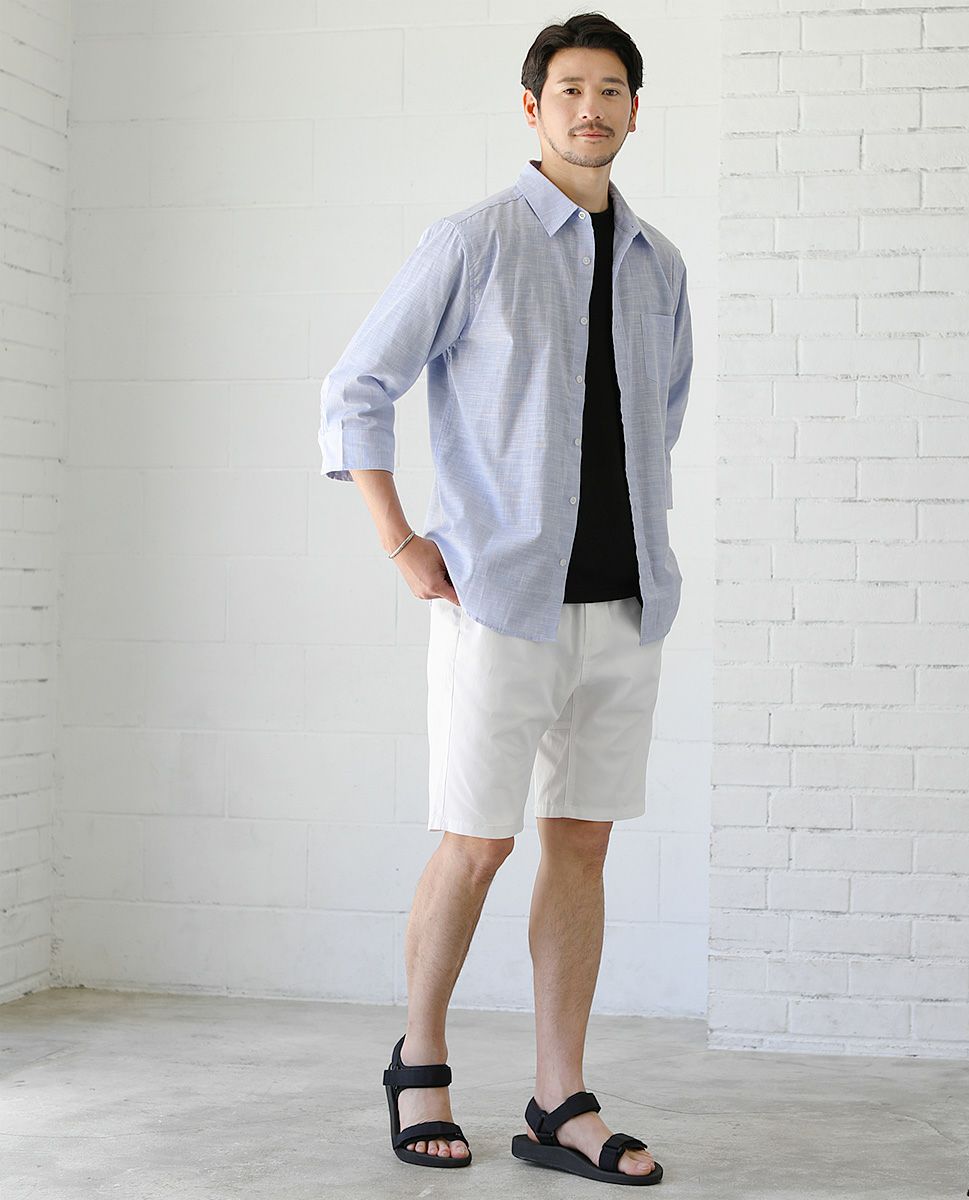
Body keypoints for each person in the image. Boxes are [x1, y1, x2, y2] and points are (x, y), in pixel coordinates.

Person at [318, 11, 692, 1186]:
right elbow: (356, 387)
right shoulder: (473, 241)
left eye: (611, 90)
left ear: (636, 111)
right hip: (499, 604)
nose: (591, 108)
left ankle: (557, 1098)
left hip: (624, 606)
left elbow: (661, 419)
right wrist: (400, 541)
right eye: (569, 89)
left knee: (580, 848)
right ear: (532, 109)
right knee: (475, 842)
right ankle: (419, 1061)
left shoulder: (660, 265)